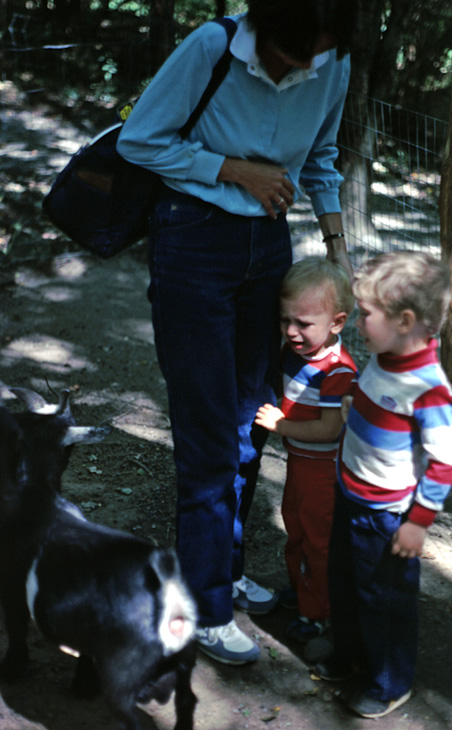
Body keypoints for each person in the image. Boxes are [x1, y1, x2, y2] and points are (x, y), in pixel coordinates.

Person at [117, 0, 357, 666]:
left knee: (253, 420)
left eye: (318, 52)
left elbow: (323, 160)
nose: (302, 67)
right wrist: (230, 169)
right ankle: (203, 606)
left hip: (269, 251)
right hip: (193, 238)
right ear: (266, 24)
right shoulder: (212, 45)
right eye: (291, 52)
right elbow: (140, 139)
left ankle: (219, 569)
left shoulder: (332, 60)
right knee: (207, 433)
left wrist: (338, 250)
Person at [314, 251, 452, 718]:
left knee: (385, 600)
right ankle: (350, 654)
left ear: (405, 321)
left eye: (365, 313)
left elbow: (445, 460)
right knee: (345, 582)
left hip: (386, 516)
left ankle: (388, 681)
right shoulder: (384, 355)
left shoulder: (427, 386)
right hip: (351, 494)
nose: (357, 321)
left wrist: (417, 523)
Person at [255, 257, 357, 641]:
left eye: (304, 324)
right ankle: (300, 593)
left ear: (337, 323)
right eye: (286, 321)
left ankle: (320, 613)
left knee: (319, 540)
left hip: (324, 472)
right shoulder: (294, 355)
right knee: (295, 528)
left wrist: (281, 425)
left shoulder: (337, 372)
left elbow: (330, 429)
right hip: (299, 463)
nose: (292, 332)